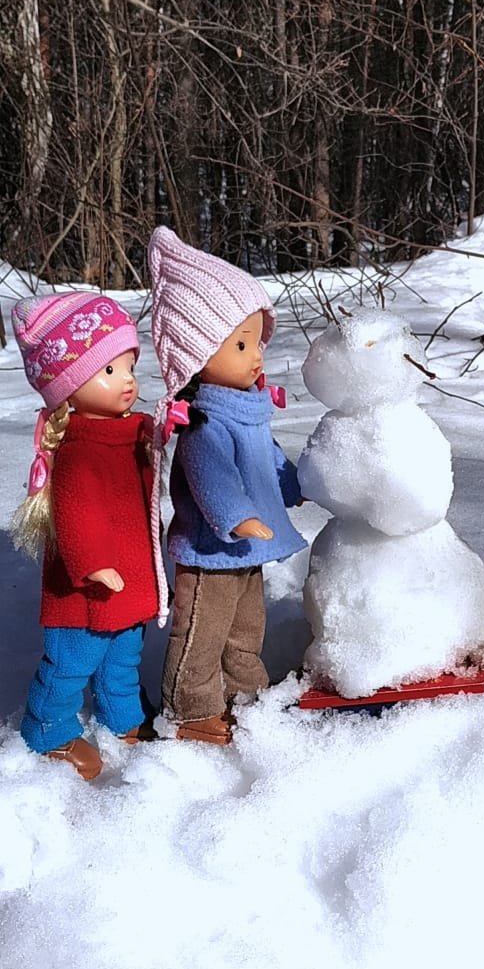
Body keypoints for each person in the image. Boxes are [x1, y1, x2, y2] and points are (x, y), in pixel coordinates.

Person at [148, 227, 307, 745]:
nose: (256, 355)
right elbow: (211, 475)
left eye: (257, 341)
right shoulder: (206, 423)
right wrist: (237, 516)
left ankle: (247, 695)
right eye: (240, 344)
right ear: (197, 356)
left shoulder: (248, 410)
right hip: (210, 551)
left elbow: (267, 459)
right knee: (201, 631)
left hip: (246, 554)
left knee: (245, 630)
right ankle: (189, 708)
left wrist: (294, 484)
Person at [11, 292, 160, 780]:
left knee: (124, 656)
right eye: (109, 370)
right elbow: (78, 512)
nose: (128, 380)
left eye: (129, 366)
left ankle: (123, 716)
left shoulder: (128, 435)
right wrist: (94, 562)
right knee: (71, 661)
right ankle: (47, 728)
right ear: (68, 387)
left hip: (130, 579)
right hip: (86, 590)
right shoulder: (78, 450)